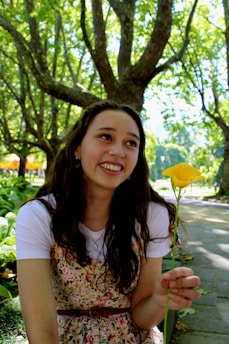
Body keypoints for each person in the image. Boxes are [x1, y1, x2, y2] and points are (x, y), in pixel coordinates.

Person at [16, 99, 201, 344]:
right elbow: (41, 333)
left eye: (131, 143)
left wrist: (160, 298)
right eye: (105, 137)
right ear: (77, 148)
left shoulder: (151, 216)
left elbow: (142, 319)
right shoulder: (39, 216)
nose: (118, 151)